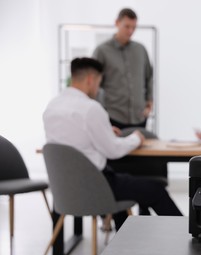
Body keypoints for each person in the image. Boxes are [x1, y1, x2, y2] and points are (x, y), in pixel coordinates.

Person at [43, 57, 181, 230]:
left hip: (65, 189)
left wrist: (106, 131)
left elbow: (76, 141)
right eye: (99, 82)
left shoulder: (52, 107)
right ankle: (187, 235)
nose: (98, 88)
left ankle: (123, 241)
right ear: (90, 80)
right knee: (155, 190)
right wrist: (136, 137)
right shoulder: (91, 108)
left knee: (122, 181)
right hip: (97, 186)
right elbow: (113, 151)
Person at [92, 8, 153, 130]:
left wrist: (149, 101)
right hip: (113, 117)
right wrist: (100, 111)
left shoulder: (141, 50)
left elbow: (148, 77)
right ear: (117, 23)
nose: (131, 31)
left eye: (134, 27)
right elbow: (94, 83)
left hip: (139, 117)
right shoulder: (102, 51)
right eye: (127, 26)